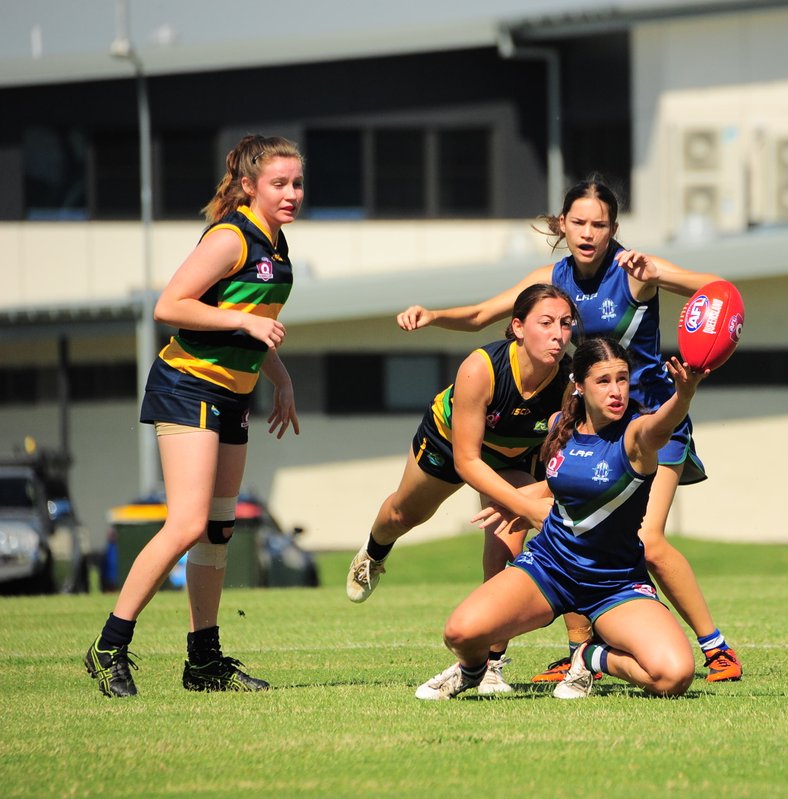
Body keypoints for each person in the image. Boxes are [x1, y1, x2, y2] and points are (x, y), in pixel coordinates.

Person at [396, 176, 743, 683]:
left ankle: (715, 648)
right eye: (578, 222)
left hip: (652, 429)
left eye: (598, 224)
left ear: (613, 229)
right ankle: (582, 651)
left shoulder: (635, 270)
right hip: (592, 435)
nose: (587, 232)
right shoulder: (551, 279)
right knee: (574, 530)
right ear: (562, 225)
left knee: (645, 539)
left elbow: (719, 291)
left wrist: (662, 274)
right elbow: (480, 315)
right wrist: (432, 315)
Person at [83, 134, 305, 697]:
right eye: (279, 183)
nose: (291, 193)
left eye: (297, 183)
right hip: (187, 387)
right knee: (185, 524)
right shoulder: (232, 236)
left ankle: (203, 662)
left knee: (219, 529)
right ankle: (109, 646)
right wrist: (248, 327)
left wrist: (279, 378)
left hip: (233, 396)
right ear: (250, 186)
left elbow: (246, 315)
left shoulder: (276, 246)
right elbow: (170, 305)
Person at [415, 337, 707, 700]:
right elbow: (564, 482)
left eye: (622, 379)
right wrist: (521, 500)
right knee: (460, 633)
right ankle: (472, 671)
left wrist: (684, 395)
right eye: (603, 381)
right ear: (579, 385)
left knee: (673, 676)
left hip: (614, 583)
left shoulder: (635, 435)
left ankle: (590, 656)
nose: (616, 391)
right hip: (550, 568)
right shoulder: (557, 426)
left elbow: (660, 428)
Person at [346, 283, 576, 694]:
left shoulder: (570, 382)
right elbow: (467, 461)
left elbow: (569, 463)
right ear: (518, 327)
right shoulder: (480, 367)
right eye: (546, 323)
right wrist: (525, 504)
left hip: (515, 456)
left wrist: (527, 502)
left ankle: (490, 666)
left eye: (565, 324)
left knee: (506, 552)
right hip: (450, 441)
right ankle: (374, 552)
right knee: (404, 514)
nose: (558, 334)